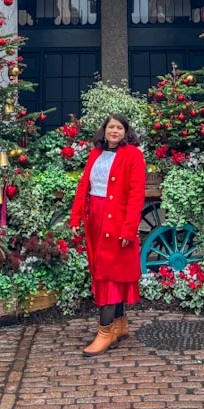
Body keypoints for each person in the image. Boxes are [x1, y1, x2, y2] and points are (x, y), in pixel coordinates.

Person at [70, 114, 146, 356]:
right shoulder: (95, 153)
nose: (115, 131)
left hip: (117, 221)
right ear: (104, 131)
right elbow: (85, 185)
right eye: (111, 127)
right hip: (96, 218)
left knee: (110, 274)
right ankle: (120, 326)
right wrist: (76, 216)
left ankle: (105, 332)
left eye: (119, 127)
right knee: (106, 269)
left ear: (126, 132)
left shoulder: (134, 155)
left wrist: (128, 228)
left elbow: (136, 194)